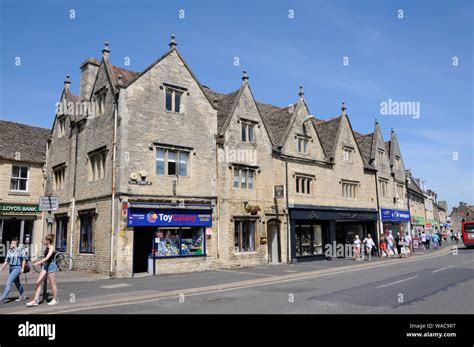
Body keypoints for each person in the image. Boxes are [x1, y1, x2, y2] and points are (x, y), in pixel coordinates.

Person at [26, 234, 59, 307]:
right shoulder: (46, 248)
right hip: (46, 266)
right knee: (38, 282)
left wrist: (38, 263)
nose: (43, 241)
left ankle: (55, 299)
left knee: (52, 284)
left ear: (48, 241)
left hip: (51, 266)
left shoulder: (51, 248)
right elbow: (45, 258)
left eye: (44, 240)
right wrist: (38, 260)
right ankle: (36, 300)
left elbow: (47, 258)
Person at [0, 238, 27, 304]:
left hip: (17, 268)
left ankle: (2, 298)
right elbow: (7, 260)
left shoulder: (20, 250)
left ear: (16, 245)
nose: (12, 245)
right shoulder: (9, 251)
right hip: (11, 268)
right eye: (11, 243)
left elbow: (24, 259)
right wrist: (2, 267)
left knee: (9, 282)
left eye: (14, 244)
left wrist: (22, 268)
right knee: (17, 282)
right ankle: (23, 295)